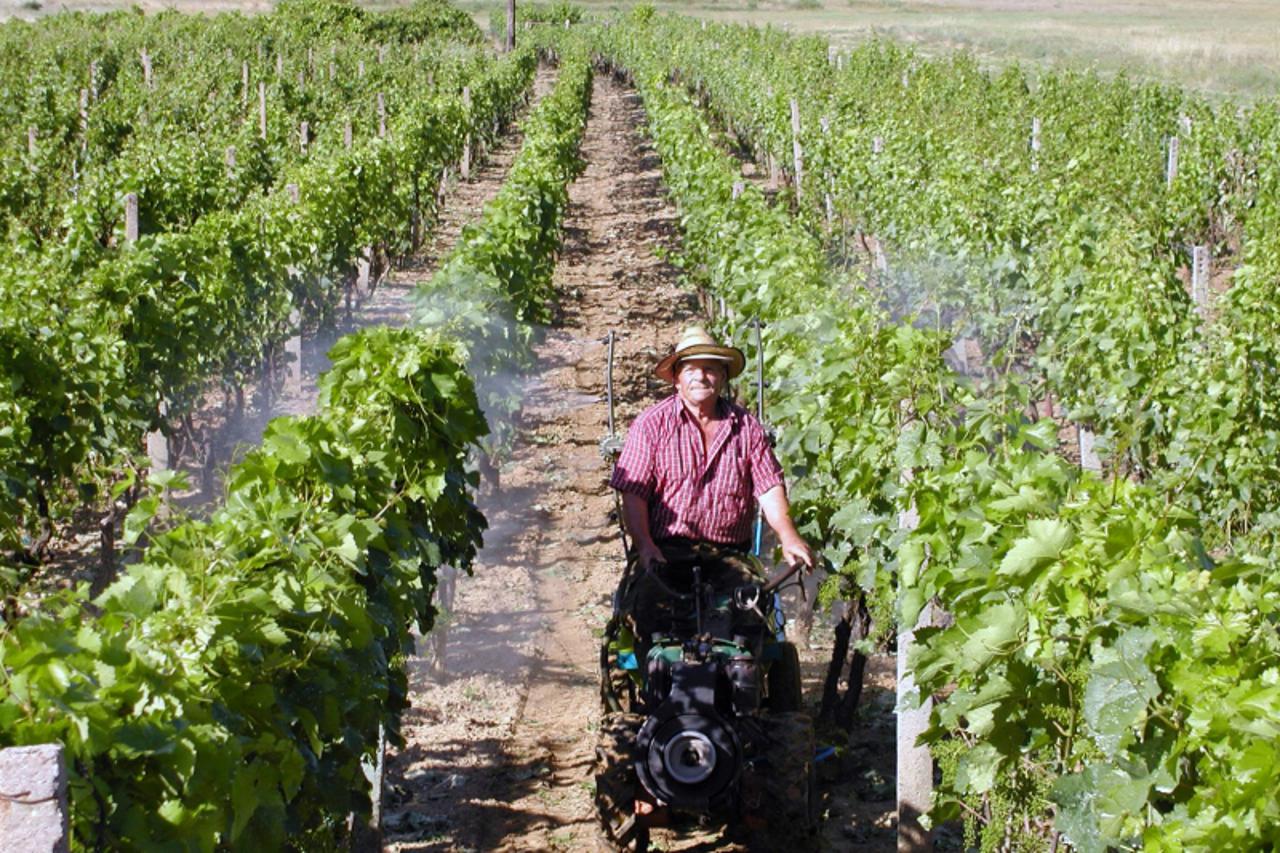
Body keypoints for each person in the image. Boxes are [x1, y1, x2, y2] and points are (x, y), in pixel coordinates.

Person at [609, 326, 814, 646]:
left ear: (722, 377)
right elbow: (633, 495)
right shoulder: (651, 425)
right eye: (691, 369)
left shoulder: (746, 428)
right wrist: (646, 546)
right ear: (676, 379)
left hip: (728, 556)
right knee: (646, 620)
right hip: (665, 553)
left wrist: (789, 536)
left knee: (752, 624)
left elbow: (769, 488)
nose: (701, 377)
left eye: (710, 369)